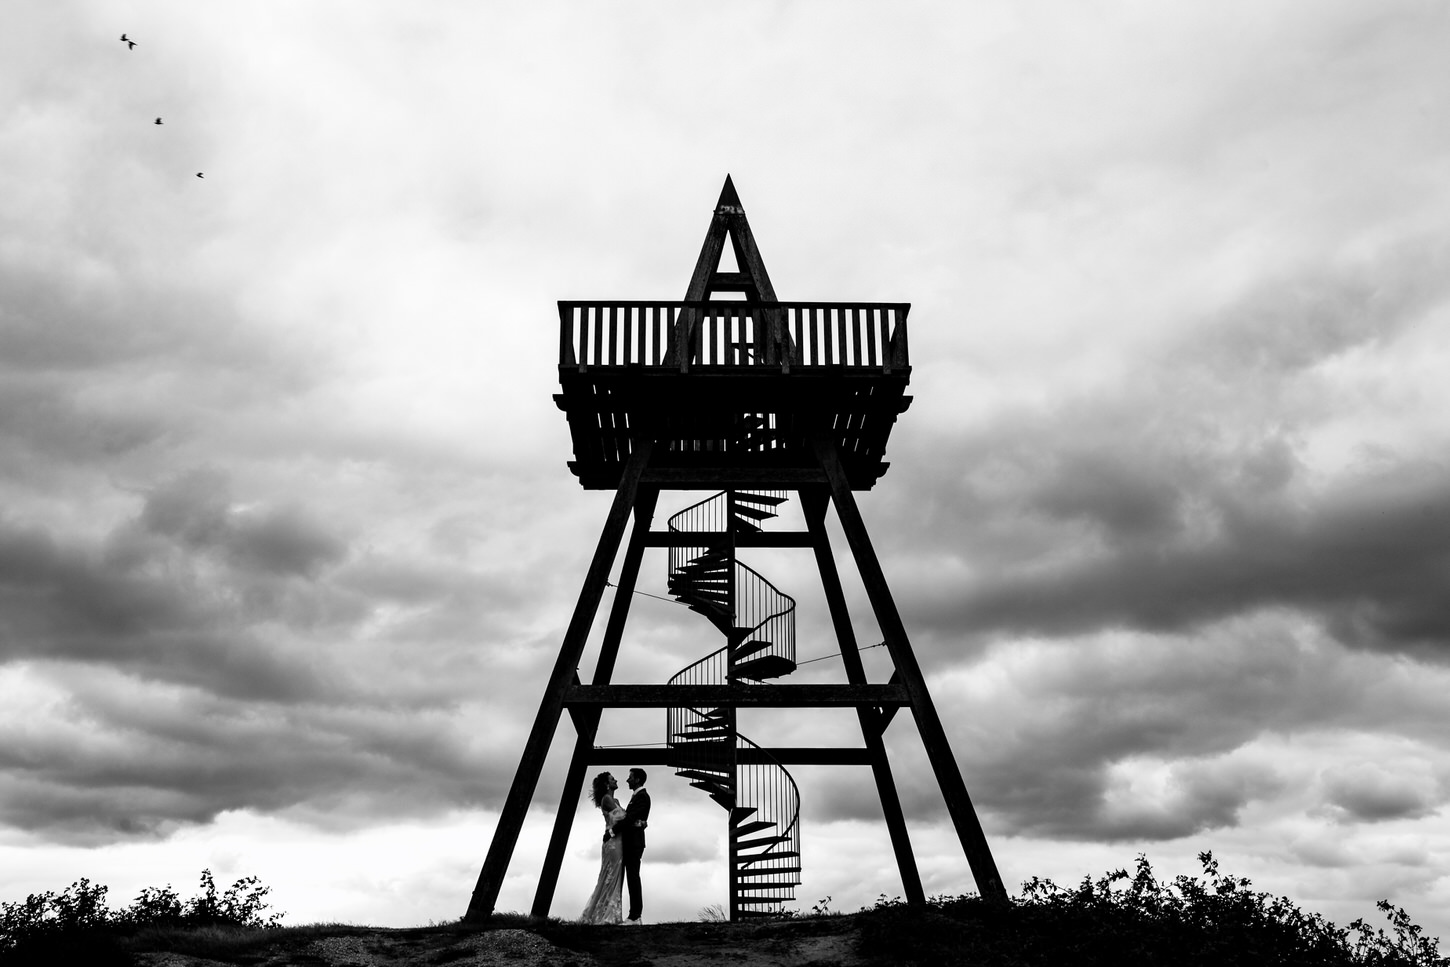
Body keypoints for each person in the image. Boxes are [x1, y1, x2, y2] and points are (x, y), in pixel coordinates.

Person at [578, 772, 626, 924]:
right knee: (611, 875)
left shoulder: (614, 799)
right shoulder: (607, 799)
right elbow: (622, 817)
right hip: (613, 842)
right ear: (607, 784)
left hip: (617, 839)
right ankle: (608, 914)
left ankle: (606, 912)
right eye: (613, 779)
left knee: (612, 876)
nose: (616, 780)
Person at [620, 768, 651, 923]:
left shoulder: (642, 797)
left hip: (634, 843)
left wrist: (612, 831)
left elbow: (630, 818)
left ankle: (635, 915)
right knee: (631, 877)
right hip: (631, 842)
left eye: (630, 777)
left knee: (633, 877)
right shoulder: (637, 796)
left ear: (637, 779)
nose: (627, 780)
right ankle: (634, 914)